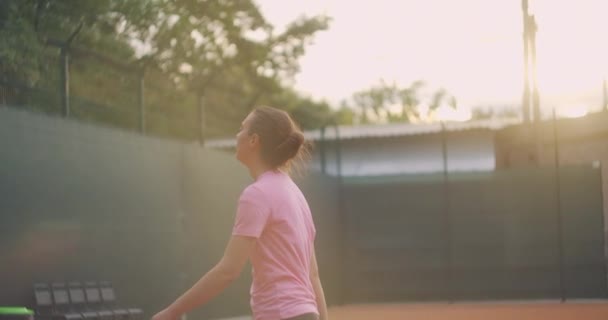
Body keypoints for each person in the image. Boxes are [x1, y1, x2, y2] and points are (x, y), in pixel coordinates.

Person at [151, 106, 328, 320]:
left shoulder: (257, 194)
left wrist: (172, 312)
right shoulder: (296, 195)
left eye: (242, 129)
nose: (237, 135)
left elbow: (228, 270)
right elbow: (314, 275)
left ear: (253, 140)